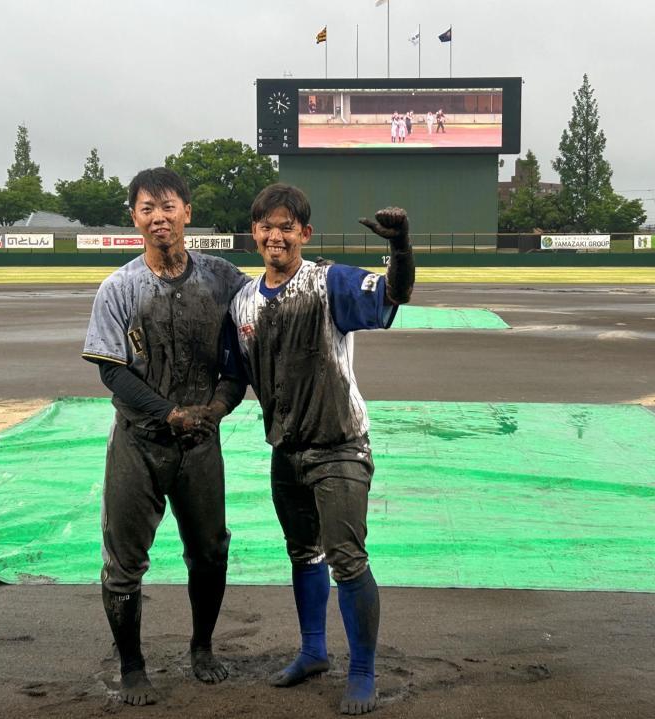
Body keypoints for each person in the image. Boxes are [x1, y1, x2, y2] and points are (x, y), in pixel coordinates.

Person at [228, 183, 415, 715]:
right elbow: (233, 374)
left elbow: (393, 295)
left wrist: (401, 248)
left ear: (304, 234)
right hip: (285, 450)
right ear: (254, 235)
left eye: (287, 226)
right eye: (267, 226)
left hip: (340, 447)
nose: (276, 235)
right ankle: (313, 651)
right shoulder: (242, 301)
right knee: (302, 552)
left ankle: (361, 671)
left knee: (347, 560)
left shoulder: (329, 282)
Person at [82, 167, 248, 706]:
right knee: (125, 560)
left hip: (201, 440)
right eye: (147, 208)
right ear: (134, 217)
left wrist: (218, 406)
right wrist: (168, 412)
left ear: (187, 213)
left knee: (210, 551)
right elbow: (113, 371)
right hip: (140, 440)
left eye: (169, 205)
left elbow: (245, 350)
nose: (159, 217)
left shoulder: (223, 279)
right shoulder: (120, 287)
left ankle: (202, 647)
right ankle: (132, 667)